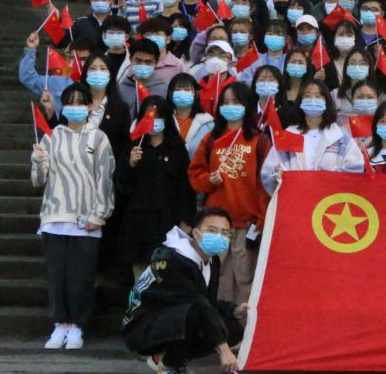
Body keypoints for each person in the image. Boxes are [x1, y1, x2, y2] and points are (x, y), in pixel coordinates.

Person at [121, 207, 246, 374]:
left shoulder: (211, 261)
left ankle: (166, 358)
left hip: (172, 318)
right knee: (193, 313)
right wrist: (223, 349)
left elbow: (207, 302)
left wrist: (232, 310)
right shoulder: (174, 261)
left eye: (224, 233)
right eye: (212, 231)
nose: (219, 237)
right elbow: (197, 304)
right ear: (195, 233)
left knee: (233, 329)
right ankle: (167, 372)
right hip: (142, 327)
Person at [31, 83, 115, 350]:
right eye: (70, 102)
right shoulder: (51, 135)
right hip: (54, 216)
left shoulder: (98, 138)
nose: (75, 107)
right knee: (57, 276)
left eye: (81, 102)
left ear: (90, 106)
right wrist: (38, 161)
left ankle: (77, 326)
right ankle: (59, 324)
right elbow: (38, 180)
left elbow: (105, 178)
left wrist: (99, 214)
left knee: (80, 277)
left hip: (86, 218)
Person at [187, 83, 270, 305]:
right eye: (225, 102)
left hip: (248, 223)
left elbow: (265, 184)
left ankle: (244, 323)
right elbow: (195, 175)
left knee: (246, 278)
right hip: (216, 224)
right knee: (217, 277)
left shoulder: (260, 140)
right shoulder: (211, 139)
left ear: (247, 106)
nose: (230, 106)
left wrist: (262, 220)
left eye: (236, 102)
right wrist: (209, 180)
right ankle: (218, 321)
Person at [115, 97, 195, 281]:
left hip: (167, 220)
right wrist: (130, 165)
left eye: (158, 116)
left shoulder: (177, 149)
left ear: (166, 118)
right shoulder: (134, 147)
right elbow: (121, 186)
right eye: (148, 116)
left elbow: (185, 188)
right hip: (138, 220)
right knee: (140, 273)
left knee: (166, 272)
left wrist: (186, 220)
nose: (153, 121)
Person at [260, 80, 364, 190]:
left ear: (327, 102)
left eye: (318, 96)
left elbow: (356, 168)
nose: (313, 100)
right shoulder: (288, 135)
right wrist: (276, 175)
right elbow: (267, 173)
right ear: (300, 102)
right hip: (296, 197)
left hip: (331, 198)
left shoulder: (340, 136)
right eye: (307, 96)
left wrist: (324, 179)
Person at [167, 73, 214, 161]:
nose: (182, 92)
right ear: (170, 94)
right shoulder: (163, 120)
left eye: (187, 89)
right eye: (177, 89)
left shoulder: (208, 123)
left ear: (196, 94)